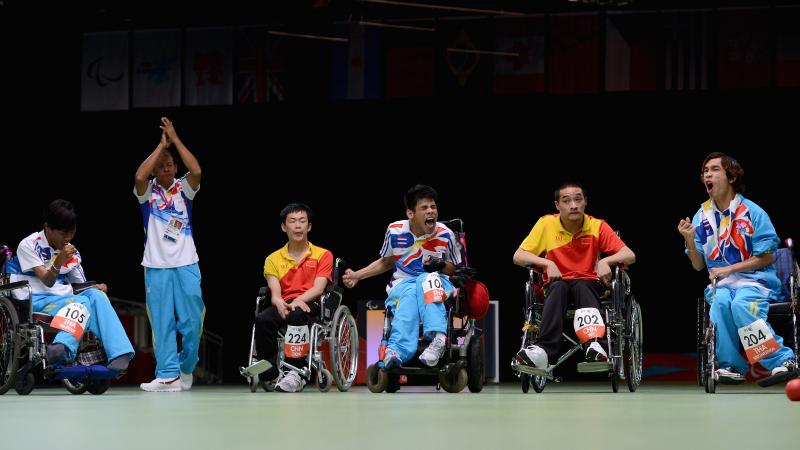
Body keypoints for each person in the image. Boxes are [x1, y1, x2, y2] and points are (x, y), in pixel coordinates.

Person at [677, 152, 795, 383]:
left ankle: (783, 360)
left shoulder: (752, 212)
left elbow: (768, 257)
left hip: (756, 281)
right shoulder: (701, 216)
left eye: (714, 169)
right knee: (720, 303)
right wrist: (690, 240)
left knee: (742, 305)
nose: (707, 175)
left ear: (731, 177)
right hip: (722, 285)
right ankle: (731, 366)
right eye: (705, 172)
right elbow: (698, 264)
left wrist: (729, 269)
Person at [513, 182, 636, 370]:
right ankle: (543, 352)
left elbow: (630, 255)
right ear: (557, 205)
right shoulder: (546, 224)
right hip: (557, 285)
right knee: (558, 287)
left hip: (589, 284)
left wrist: (604, 261)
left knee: (582, 285)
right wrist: (548, 263)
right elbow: (518, 256)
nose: (573, 205)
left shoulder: (597, 226)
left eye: (578, 199)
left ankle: (594, 345)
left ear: (585, 202)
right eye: (566, 200)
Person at [6, 199, 134, 373]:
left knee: (95, 297)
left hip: (62, 298)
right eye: (63, 233)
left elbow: (80, 286)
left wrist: (97, 287)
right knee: (82, 303)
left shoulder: (72, 252)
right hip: (32, 299)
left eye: (72, 232)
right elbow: (47, 280)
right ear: (48, 228)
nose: (68, 238)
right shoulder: (29, 244)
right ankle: (63, 348)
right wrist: (58, 262)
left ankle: (120, 353)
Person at [343, 184, 461, 369]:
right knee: (409, 295)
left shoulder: (445, 234)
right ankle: (397, 352)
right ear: (410, 213)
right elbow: (386, 262)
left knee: (426, 279)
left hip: (437, 282)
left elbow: (455, 269)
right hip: (403, 282)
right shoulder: (395, 230)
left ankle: (438, 340)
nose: (431, 211)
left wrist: (440, 265)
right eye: (424, 208)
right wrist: (358, 275)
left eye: (433, 207)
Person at [134, 117, 204, 392]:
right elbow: (140, 176)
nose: (166, 169)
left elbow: (196, 169)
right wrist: (160, 147)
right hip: (155, 265)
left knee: (191, 321)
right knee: (162, 323)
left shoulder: (183, 190)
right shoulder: (147, 193)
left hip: (187, 263)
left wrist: (174, 141)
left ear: (176, 168)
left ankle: (186, 367)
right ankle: (167, 375)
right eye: (161, 167)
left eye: (170, 165)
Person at [253, 203, 333, 393]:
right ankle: (270, 372)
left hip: (311, 305)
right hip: (285, 304)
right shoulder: (273, 258)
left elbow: (319, 287)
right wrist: (279, 301)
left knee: (297, 313)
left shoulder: (323, 255)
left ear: (309, 226)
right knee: (263, 319)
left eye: (302, 221)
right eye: (292, 221)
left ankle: (295, 372)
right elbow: (274, 290)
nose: (297, 226)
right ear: (284, 227)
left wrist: (299, 300)